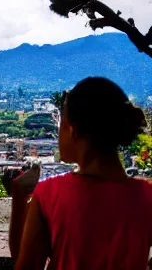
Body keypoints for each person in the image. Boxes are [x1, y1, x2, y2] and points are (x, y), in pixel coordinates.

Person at [10, 77, 152, 270]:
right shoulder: (146, 196)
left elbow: (27, 265)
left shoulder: (50, 194)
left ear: (73, 131)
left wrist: (19, 201)